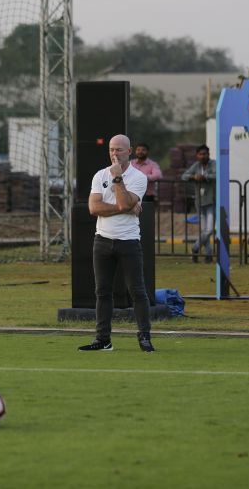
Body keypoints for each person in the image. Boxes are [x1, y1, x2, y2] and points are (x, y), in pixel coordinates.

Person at [78, 134, 155, 353]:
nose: (114, 154)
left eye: (119, 150)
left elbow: (122, 201)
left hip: (129, 241)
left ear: (129, 151)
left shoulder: (138, 177)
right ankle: (103, 339)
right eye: (112, 149)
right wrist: (125, 208)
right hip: (102, 240)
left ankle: (144, 336)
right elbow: (94, 208)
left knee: (137, 291)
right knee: (102, 291)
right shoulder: (100, 175)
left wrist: (118, 179)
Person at [181, 144, 216, 263]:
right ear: (197, 155)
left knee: (209, 229)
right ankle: (209, 255)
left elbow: (216, 175)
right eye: (200, 154)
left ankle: (195, 248)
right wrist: (193, 177)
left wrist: (204, 176)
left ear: (208, 154)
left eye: (205, 154)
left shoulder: (213, 164)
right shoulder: (196, 165)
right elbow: (184, 176)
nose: (202, 156)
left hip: (211, 201)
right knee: (205, 230)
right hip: (199, 202)